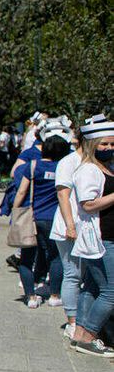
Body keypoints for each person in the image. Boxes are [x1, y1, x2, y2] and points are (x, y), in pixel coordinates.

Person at [53, 116, 105, 338]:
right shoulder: (69, 162)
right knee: (73, 274)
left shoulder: (98, 163)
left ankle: (85, 321)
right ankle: (72, 321)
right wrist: (70, 225)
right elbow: (63, 195)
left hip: (91, 227)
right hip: (71, 225)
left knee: (90, 277)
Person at [12, 122, 71, 309]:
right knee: (55, 257)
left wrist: (15, 212)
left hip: (31, 217)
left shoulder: (32, 166)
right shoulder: (62, 169)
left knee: (27, 259)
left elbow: (21, 192)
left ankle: (31, 297)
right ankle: (55, 295)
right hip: (54, 218)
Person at [68, 117, 114, 357]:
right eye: (104, 144)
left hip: (107, 235)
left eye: (112, 144)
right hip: (101, 238)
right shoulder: (88, 169)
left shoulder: (106, 167)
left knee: (92, 286)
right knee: (111, 292)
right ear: (92, 144)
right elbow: (88, 204)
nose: (109, 148)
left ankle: (79, 334)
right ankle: (89, 336)